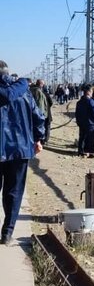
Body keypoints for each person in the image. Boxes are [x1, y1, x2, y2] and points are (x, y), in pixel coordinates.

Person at [0, 60, 45, 245]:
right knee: (14, 191)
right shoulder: (24, 91)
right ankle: (7, 232)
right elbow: (39, 116)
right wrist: (38, 139)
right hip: (20, 149)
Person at [75, 85, 94, 157]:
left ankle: (81, 151)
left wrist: (78, 121)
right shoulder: (90, 101)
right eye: (91, 91)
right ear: (88, 92)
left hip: (82, 123)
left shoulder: (79, 102)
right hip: (90, 123)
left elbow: (77, 113)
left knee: (82, 137)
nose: (92, 93)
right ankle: (90, 151)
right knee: (91, 138)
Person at [30, 79, 52, 145]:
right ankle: (42, 140)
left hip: (31, 114)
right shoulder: (39, 92)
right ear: (41, 85)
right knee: (42, 127)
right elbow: (41, 105)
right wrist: (42, 114)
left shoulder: (30, 90)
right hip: (39, 114)